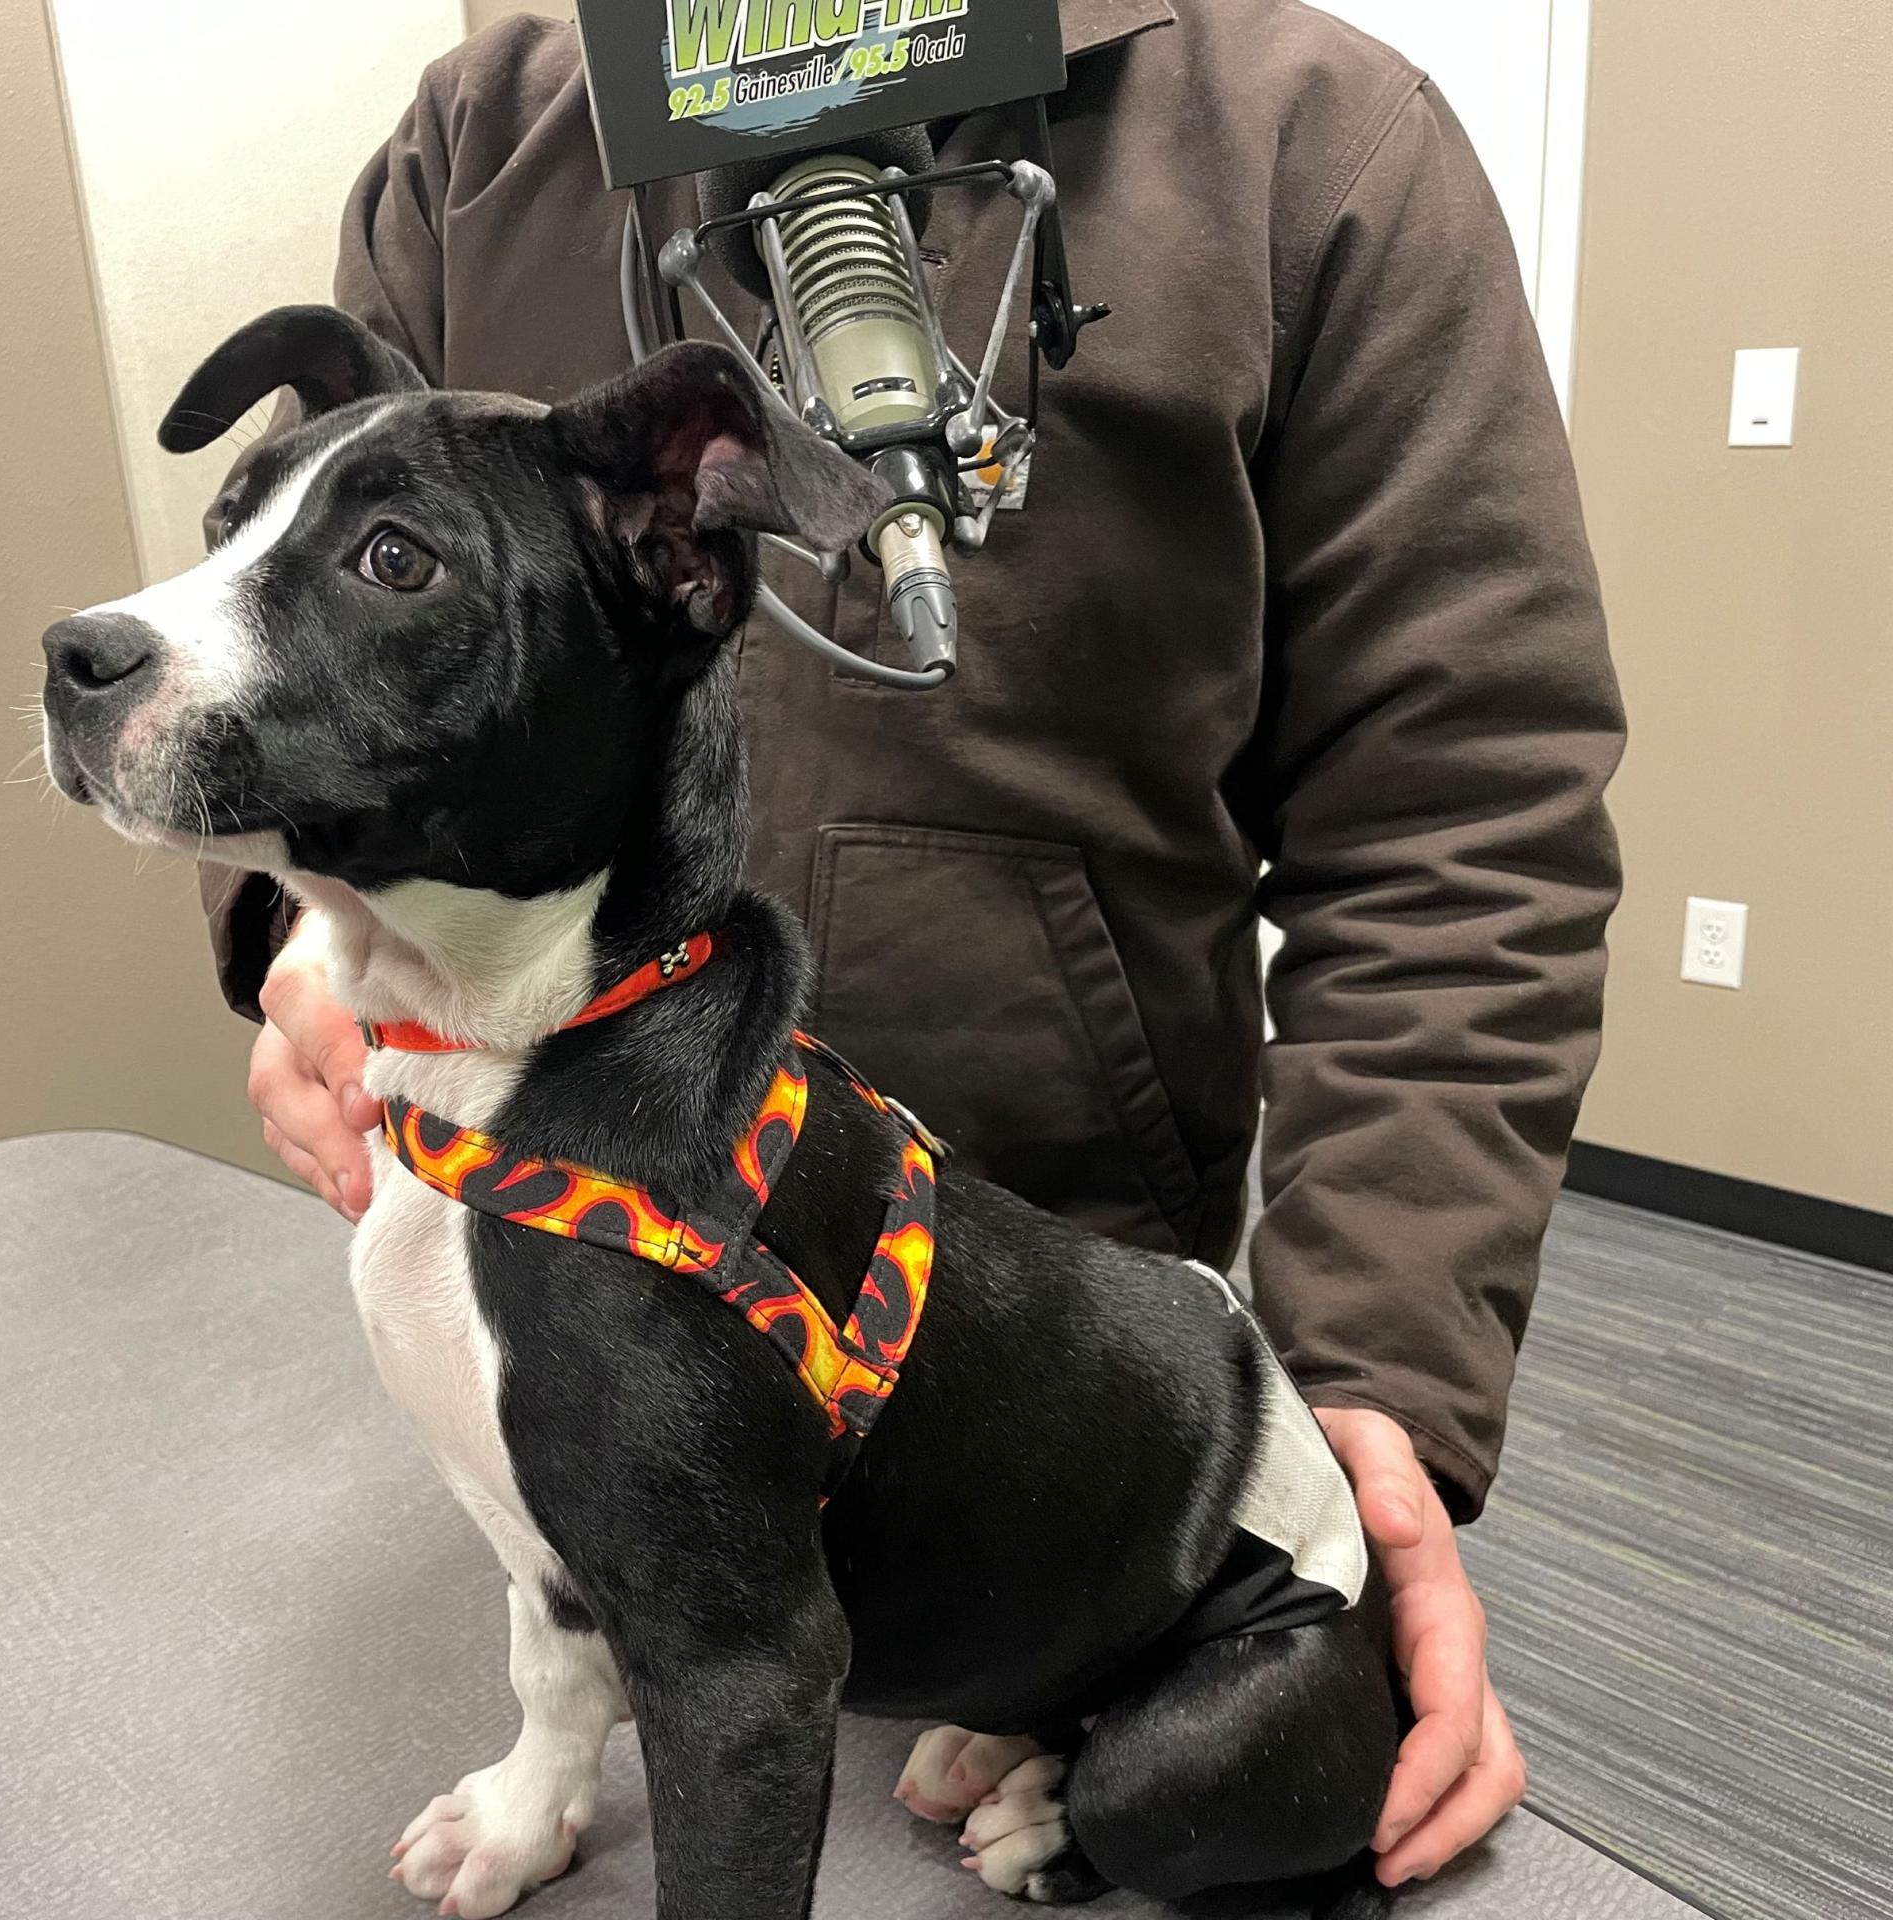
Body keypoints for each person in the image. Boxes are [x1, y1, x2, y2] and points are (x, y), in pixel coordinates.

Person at [206, 0, 1622, 1891]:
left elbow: (1465, 812)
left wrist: (1374, 1389)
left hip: (1046, 1400)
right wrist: (291, 933)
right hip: (566, 1312)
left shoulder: (1310, 140)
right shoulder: (484, 145)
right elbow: (289, 642)